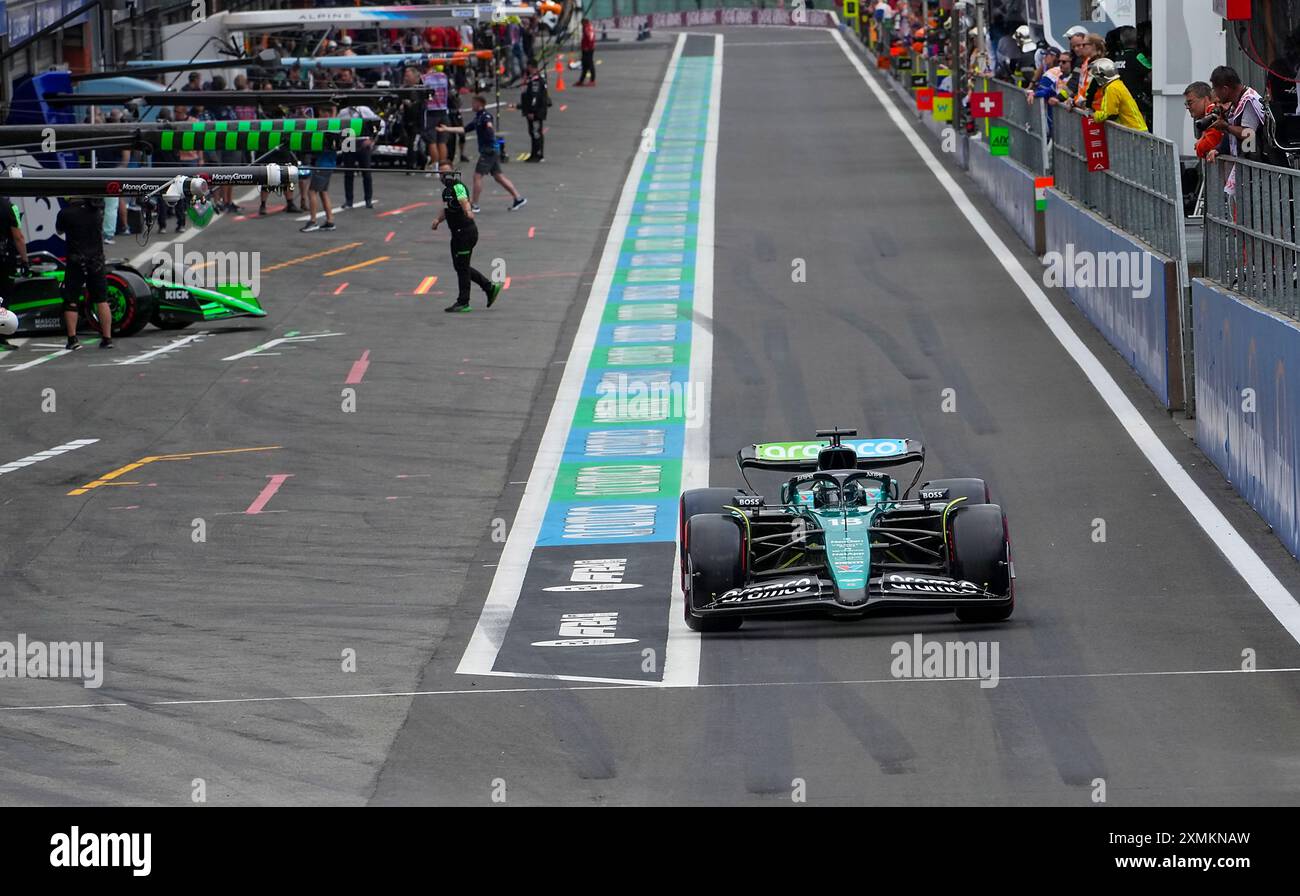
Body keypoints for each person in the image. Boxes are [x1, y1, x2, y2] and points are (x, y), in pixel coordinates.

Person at [431, 163, 502, 313]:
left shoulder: (458, 186)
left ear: (452, 173)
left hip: (465, 233)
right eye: (441, 174)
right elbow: (447, 208)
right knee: (460, 266)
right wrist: (438, 220)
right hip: (456, 233)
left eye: (445, 173)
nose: (443, 177)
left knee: (462, 267)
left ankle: (464, 302)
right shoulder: (446, 191)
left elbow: (464, 201)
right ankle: (489, 287)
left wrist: (468, 211)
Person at [437, 95, 527, 212]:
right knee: (498, 176)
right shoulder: (478, 118)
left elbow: (489, 126)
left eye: (473, 103)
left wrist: (490, 135)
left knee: (477, 176)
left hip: (488, 151)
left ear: (479, 104)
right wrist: (447, 129)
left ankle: (474, 204)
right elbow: (464, 129)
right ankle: (518, 198)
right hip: (490, 150)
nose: (472, 105)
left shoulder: (485, 116)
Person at [56, 198, 113, 350]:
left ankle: (72, 339)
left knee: (71, 300)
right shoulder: (97, 211)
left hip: (76, 261)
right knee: (102, 300)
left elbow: (59, 230)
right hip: (97, 260)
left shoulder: (66, 213)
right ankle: (107, 338)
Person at [1206, 66, 1266, 164]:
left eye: (1215, 90)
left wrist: (1226, 126)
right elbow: (1232, 133)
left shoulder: (1249, 100)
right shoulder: (1237, 101)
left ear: (1225, 89)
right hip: (1245, 166)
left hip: (1256, 169)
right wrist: (1219, 149)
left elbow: (1248, 133)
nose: (1215, 94)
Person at [301, 107, 339, 232]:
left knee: (312, 192)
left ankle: (313, 221)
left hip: (323, 164)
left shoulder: (330, 128)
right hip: (327, 164)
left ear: (327, 113)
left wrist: (333, 110)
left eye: (321, 113)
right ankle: (330, 220)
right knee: (323, 192)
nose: (320, 116)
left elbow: (319, 128)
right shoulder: (334, 127)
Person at [0, 195, 29, 352]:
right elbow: (18, 237)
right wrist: (25, 261)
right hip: (5, 259)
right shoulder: (9, 207)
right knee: (3, 297)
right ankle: (1, 335)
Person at [1087, 58, 1147, 131]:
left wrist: (1094, 115)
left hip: (1133, 132)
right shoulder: (1117, 84)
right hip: (1137, 130)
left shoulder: (1111, 88)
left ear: (1102, 76)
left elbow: (1110, 114)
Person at [1184, 81, 1227, 160]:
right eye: (1186, 104)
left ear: (1206, 99)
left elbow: (1206, 147)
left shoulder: (1213, 114)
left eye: (1190, 103)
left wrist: (1198, 145)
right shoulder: (1206, 116)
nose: (1187, 107)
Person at [520, 60, 549, 162]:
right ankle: (534, 153)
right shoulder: (531, 79)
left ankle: (538, 154)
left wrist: (532, 111)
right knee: (533, 132)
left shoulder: (536, 81)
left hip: (536, 112)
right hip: (534, 111)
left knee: (536, 132)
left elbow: (534, 97)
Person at [579, 17, 597, 86]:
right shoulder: (585, 28)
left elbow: (591, 38)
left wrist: (588, 47)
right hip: (585, 49)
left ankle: (592, 80)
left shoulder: (588, 28)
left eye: (582, 23)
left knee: (590, 64)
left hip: (588, 50)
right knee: (584, 65)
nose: (581, 25)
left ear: (584, 22)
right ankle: (581, 81)